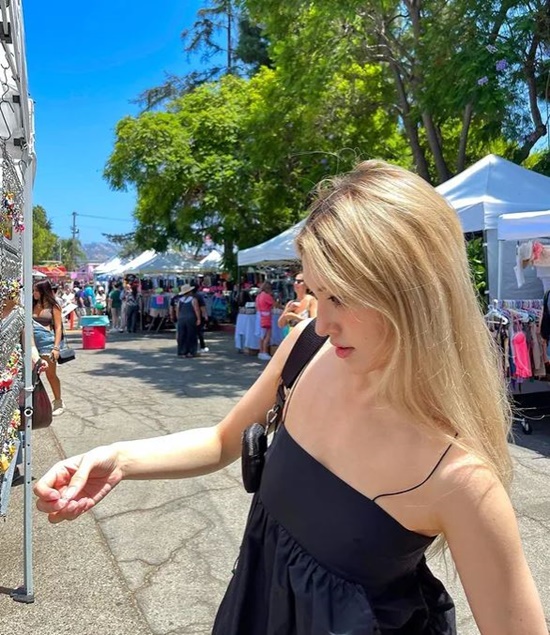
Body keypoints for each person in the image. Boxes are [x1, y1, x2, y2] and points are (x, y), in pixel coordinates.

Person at [33, 160, 547, 634]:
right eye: (318, 294)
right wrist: (118, 459)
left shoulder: (461, 480)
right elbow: (221, 441)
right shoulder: (308, 349)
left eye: (340, 297)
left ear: (415, 295)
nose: (321, 322)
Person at [32, 279, 65, 416]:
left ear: (43, 291)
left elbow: (58, 327)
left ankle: (58, 402)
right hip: (32, 344)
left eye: (36, 290)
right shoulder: (32, 304)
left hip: (47, 343)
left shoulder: (53, 306)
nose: (34, 293)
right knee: (33, 375)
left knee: (50, 374)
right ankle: (34, 404)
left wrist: (56, 347)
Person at [176, 284, 201, 358]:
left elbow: (177, 310)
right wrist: (198, 319)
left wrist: (179, 318)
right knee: (191, 335)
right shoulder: (193, 299)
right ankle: (191, 352)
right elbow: (196, 309)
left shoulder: (179, 300)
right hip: (190, 318)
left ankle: (182, 352)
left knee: (182, 335)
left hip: (181, 319)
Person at [255, 281, 274, 361]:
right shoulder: (267, 296)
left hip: (259, 315)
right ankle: (264, 351)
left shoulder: (258, 296)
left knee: (261, 335)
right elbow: (274, 304)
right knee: (267, 334)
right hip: (266, 316)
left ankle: (261, 352)